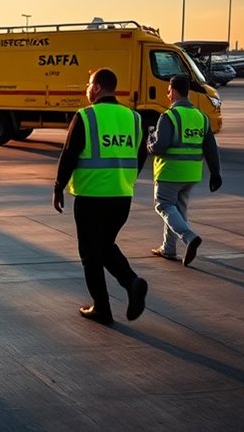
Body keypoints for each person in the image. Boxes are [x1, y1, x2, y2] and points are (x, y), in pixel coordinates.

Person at [52, 68, 149, 326]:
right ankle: (131, 281)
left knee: (90, 253)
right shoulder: (134, 118)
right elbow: (141, 155)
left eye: (88, 83)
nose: (86, 88)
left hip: (91, 196)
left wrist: (58, 187)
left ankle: (102, 308)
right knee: (105, 246)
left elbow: (69, 154)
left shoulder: (87, 116)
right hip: (121, 196)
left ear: (96, 88)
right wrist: (127, 178)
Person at [147, 74, 222, 267]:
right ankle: (168, 248)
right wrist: (215, 173)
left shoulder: (169, 116)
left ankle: (188, 237)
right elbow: (211, 148)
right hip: (192, 173)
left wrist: (149, 143)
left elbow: (160, 146)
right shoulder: (201, 117)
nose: (167, 94)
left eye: (168, 90)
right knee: (177, 209)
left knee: (163, 205)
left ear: (173, 91)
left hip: (170, 171)